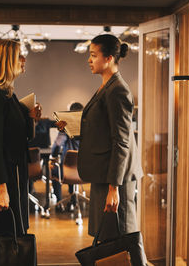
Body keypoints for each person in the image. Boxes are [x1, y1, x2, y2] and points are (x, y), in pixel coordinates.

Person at [58, 35, 146, 263]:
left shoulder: (118, 90)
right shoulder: (107, 86)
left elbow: (122, 141)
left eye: (93, 55)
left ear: (108, 59)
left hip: (115, 178)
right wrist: (73, 127)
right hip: (104, 176)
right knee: (108, 241)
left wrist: (114, 187)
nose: (89, 60)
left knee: (122, 241)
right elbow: (102, 130)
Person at [0, 39, 41, 235]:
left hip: (16, 172)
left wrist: (31, 118)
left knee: (18, 232)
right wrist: (1, 188)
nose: (24, 59)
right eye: (19, 56)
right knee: (7, 235)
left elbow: (24, 138)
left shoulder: (8, 94)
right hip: (5, 177)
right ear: (5, 61)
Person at [50, 102, 83, 212]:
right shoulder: (89, 127)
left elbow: (57, 145)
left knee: (55, 169)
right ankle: (73, 198)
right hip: (85, 171)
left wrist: (53, 158)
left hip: (68, 171)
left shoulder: (65, 128)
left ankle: (59, 202)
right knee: (72, 166)